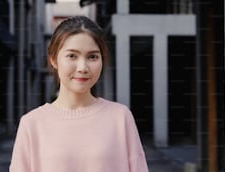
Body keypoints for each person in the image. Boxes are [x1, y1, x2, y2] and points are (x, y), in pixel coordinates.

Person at [9, 16, 148, 172]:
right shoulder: (32, 124)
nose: (83, 67)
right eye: (72, 56)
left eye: (92, 56)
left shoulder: (120, 117)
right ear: (54, 59)